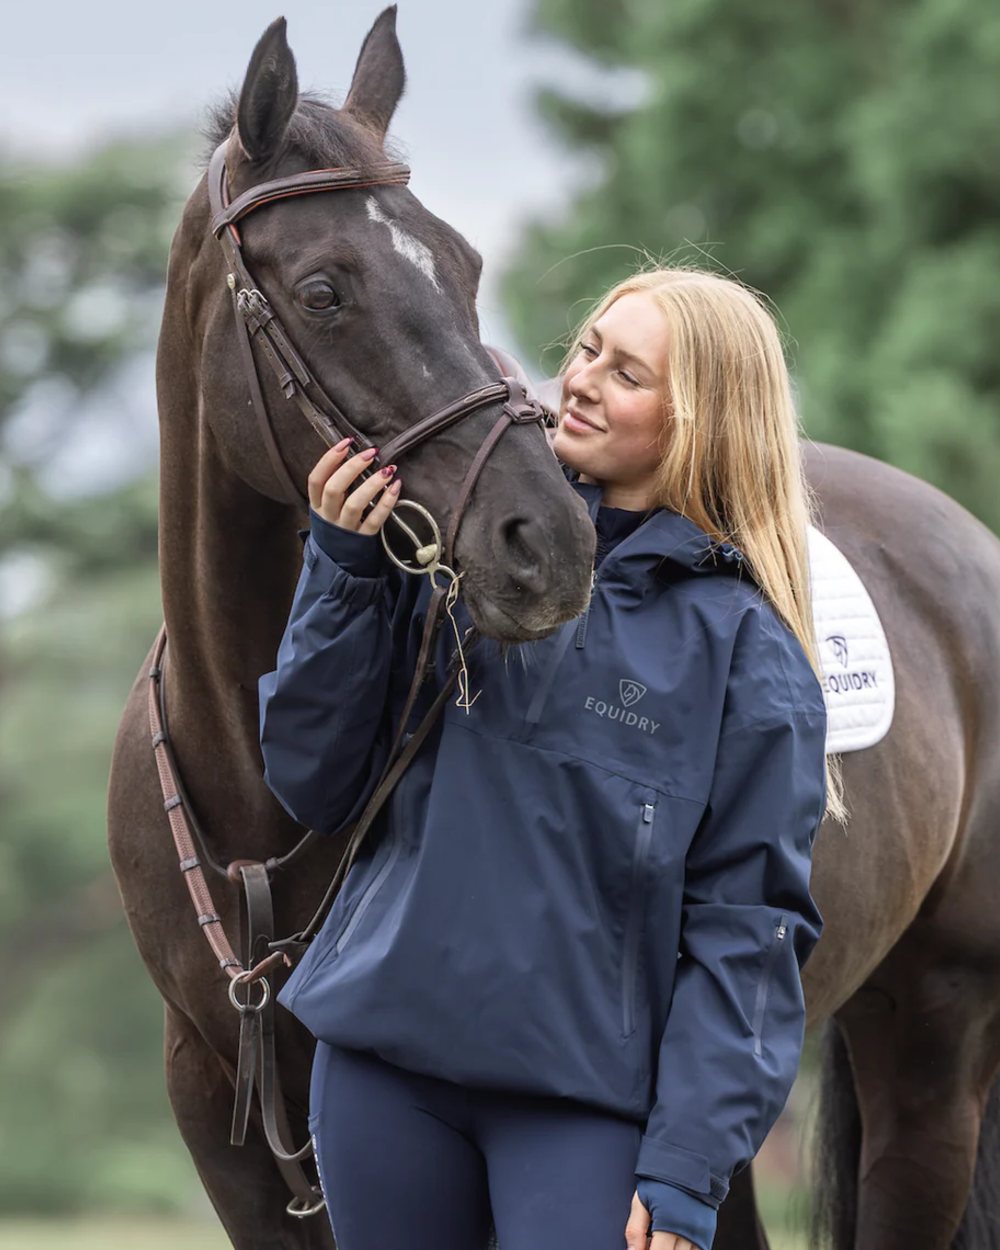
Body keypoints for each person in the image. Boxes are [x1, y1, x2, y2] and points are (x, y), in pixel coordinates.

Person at [258, 266, 838, 1250]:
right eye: (588, 351)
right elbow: (313, 777)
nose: (581, 379)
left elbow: (749, 933)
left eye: (628, 374)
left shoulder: (747, 654)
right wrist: (345, 565)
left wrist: (690, 1160)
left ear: (704, 417)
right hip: (382, 1078)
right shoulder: (448, 551)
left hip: (582, 1105)